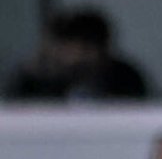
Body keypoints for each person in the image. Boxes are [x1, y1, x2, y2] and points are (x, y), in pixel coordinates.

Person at [8, 7, 147, 102]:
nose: (77, 56)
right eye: (68, 47)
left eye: (86, 48)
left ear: (103, 49)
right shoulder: (35, 79)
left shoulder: (125, 78)